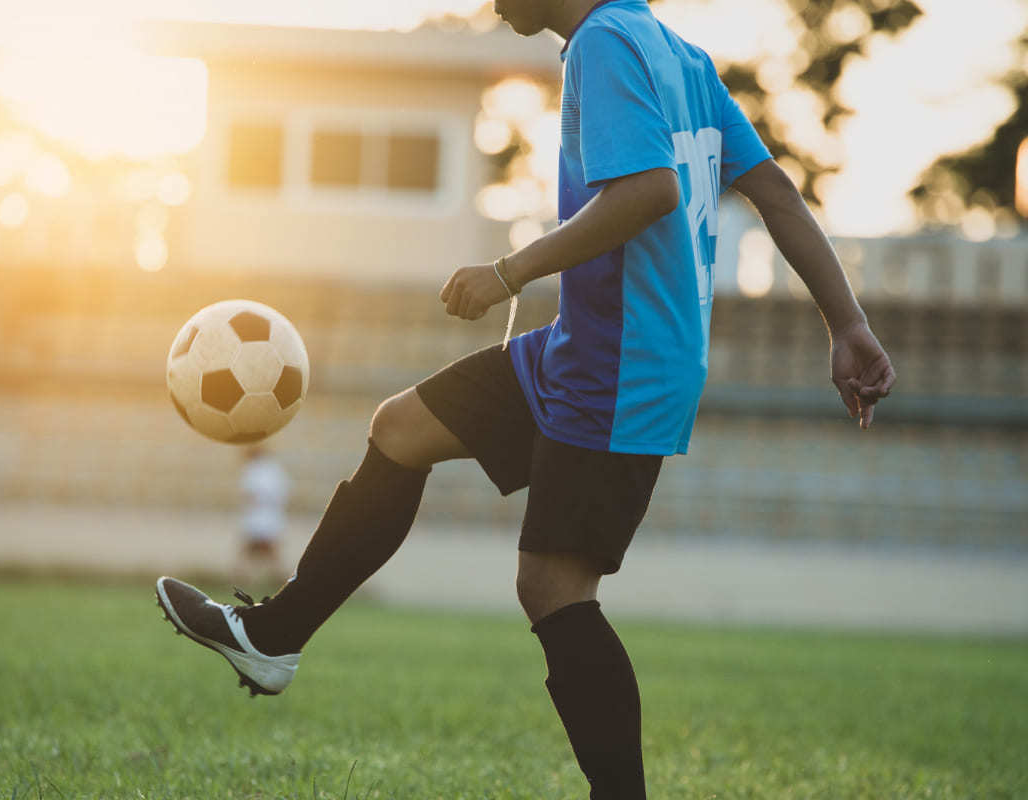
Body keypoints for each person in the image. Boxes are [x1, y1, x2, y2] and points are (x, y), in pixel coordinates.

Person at [154, 0, 896, 796]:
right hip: (584, 346)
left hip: (623, 366)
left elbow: (649, 192)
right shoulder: (677, 55)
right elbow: (776, 194)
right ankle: (272, 637)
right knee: (401, 428)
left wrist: (509, 272)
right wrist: (846, 323)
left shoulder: (604, 44)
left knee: (552, 587)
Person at [232, 444, 290, 588]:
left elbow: (250, 493)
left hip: (258, 516)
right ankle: (280, 581)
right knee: (264, 551)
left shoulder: (254, 469)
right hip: (271, 515)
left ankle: (241, 581)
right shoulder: (274, 469)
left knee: (253, 550)